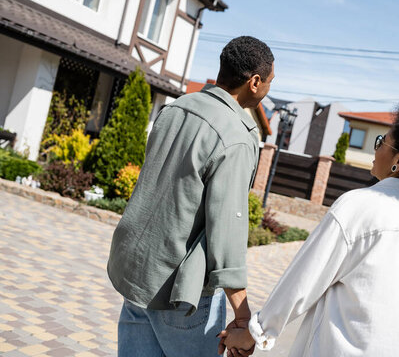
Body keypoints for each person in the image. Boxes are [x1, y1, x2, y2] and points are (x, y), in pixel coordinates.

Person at [220, 84, 399, 356]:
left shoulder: (359, 206)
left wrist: (254, 334)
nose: (376, 149)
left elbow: (302, 283)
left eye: (381, 142)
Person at [106, 36, 275, 357]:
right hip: (182, 293)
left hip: (138, 274)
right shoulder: (236, 137)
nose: (268, 88)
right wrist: (242, 313)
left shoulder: (176, 109)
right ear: (254, 82)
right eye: (269, 81)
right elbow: (227, 229)